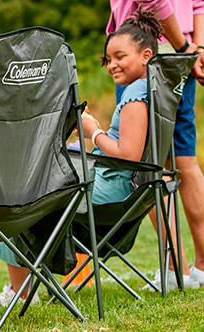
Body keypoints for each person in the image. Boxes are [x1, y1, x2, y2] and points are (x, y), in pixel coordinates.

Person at [0, 7, 184, 309]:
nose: (112, 65)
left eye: (120, 57)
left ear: (146, 55)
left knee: (18, 191)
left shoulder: (136, 96)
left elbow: (128, 155)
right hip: (123, 187)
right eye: (108, 59)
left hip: (110, 191)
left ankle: (22, 289)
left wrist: (92, 132)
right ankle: (29, 281)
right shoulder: (153, 88)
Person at [108, 0, 204, 291]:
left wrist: (184, 48)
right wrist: (196, 47)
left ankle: (176, 270)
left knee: (148, 164)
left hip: (146, 53)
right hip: (180, 48)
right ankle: (200, 268)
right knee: (184, 159)